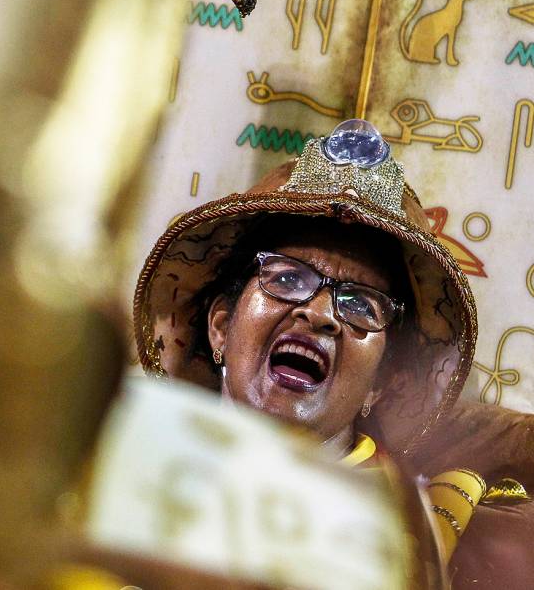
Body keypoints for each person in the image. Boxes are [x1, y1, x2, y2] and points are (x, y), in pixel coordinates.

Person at [132, 119, 534, 587]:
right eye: (285, 279)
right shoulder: (99, 476)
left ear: (385, 380)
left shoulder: (457, 544)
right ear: (221, 328)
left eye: (361, 305)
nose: (320, 313)